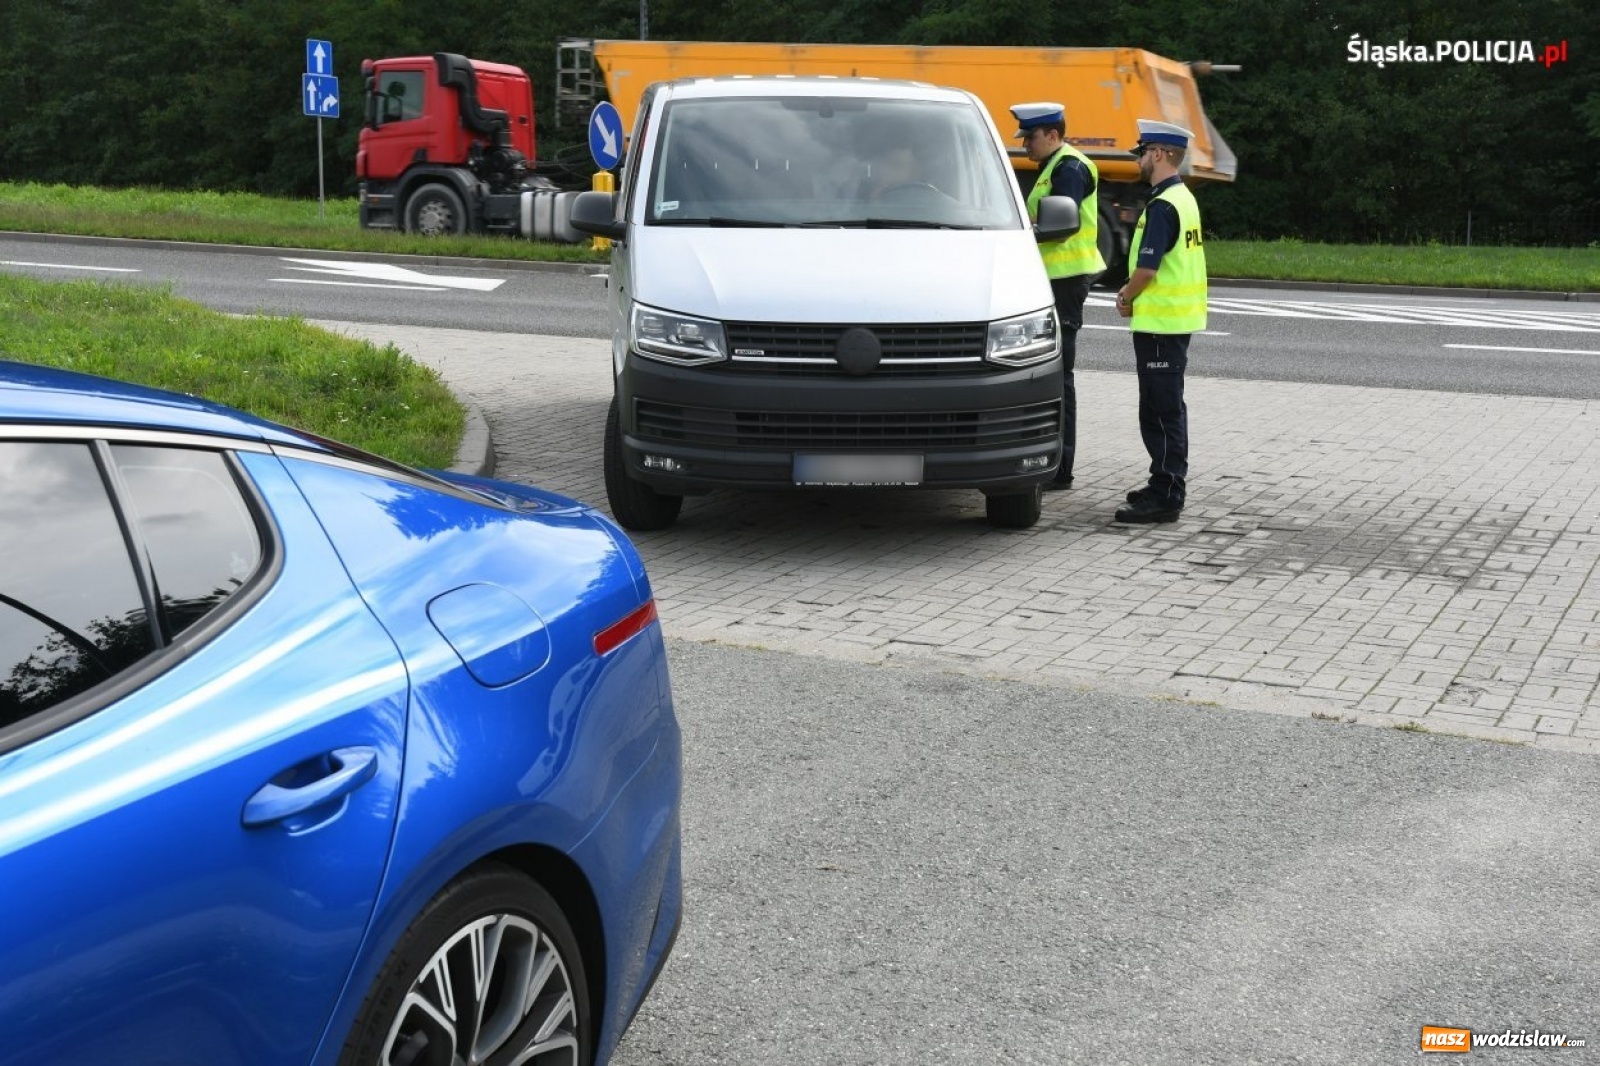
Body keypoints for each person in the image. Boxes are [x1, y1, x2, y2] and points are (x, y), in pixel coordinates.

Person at [1114, 119, 1207, 524]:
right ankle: (1162, 481)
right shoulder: (1182, 198)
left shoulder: (1163, 206)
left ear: (1161, 154)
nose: (1140, 159)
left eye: (1144, 151)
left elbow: (1148, 269)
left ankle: (1168, 493)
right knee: (1162, 407)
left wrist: (1124, 295)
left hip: (1160, 325)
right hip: (1171, 324)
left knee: (1161, 410)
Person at [1010, 102, 1106, 492]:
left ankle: (1061, 468)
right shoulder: (1055, 166)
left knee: (1059, 374)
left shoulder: (1070, 168)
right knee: (1047, 371)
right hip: (1051, 280)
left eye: (1030, 137)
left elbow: (1062, 224)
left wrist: (1024, 235)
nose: (1025, 146)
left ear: (1052, 134)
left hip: (1064, 282)